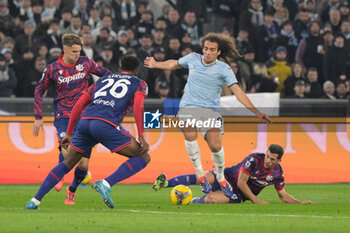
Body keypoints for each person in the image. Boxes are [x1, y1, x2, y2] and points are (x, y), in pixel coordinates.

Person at [144, 33, 271, 199]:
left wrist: (257, 112)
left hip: (210, 112)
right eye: (205, 48)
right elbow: (174, 64)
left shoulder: (224, 69)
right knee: (190, 134)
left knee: (215, 146)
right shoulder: (193, 58)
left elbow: (238, 93)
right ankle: (201, 175)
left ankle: (220, 177)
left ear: (218, 52)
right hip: (188, 106)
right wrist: (156, 64)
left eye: (212, 50)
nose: (207, 52)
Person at [26, 56, 150, 210]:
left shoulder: (103, 80)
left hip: (85, 122)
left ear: (120, 66)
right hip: (105, 124)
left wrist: (70, 133)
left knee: (68, 163)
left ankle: (35, 200)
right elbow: (138, 106)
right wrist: (141, 135)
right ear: (137, 70)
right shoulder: (139, 83)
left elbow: (79, 104)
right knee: (143, 156)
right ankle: (106, 183)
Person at [33, 33, 111, 204]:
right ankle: (59, 175)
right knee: (68, 151)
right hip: (64, 116)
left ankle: (72, 189)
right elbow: (39, 91)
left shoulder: (85, 63)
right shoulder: (52, 69)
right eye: (74, 51)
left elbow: (107, 75)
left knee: (83, 165)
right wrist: (38, 117)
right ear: (65, 49)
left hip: (86, 116)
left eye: (79, 51)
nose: (77, 55)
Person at [153, 144, 314, 205]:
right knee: (204, 176)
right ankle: (166, 183)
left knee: (210, 199)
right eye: (267, 156)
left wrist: (299, 203)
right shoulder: (254, 160)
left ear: (279, 161)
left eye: (272, 160)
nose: (268, 161)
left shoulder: (278, 173)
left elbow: (282, 195)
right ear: (265, 153)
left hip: (238, 194)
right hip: (228, 177)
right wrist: (256, 201)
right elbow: (241, 182)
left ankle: (189, 202)